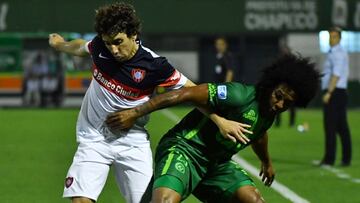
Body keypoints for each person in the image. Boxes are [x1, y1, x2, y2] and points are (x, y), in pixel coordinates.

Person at [49, 2, 247, 203]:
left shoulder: (154, 65)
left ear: (133, 34)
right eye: (109, 43)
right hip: (93, 138)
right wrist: (59, 44)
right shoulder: (101, 46)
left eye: (118, 42)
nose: (113, 49)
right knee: (81, 200)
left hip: (132, 142)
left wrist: (221, 121)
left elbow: (193, 92)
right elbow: (82, 47)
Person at [106, 54, 321, 202]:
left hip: (215, 165)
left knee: (253, 200)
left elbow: (259, 134)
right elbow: (186, 93)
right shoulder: (239, 95)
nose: (280, 104)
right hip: (184, 150)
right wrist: (134, 113)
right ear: (271, 85)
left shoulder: (269, 114)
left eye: (288, 103)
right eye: (279, 96)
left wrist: (266, 162)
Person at [319, 26, 352, 167]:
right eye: (329, 36)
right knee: (341, 127)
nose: (330, 39)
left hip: (335, 92)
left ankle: (329, 159)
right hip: (339, 92)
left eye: (333, 37)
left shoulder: (337, 53)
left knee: (331, 126)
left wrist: (329, 93)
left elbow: (336, 75)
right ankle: (346, 158)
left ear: (339, 38)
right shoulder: (335, 52)